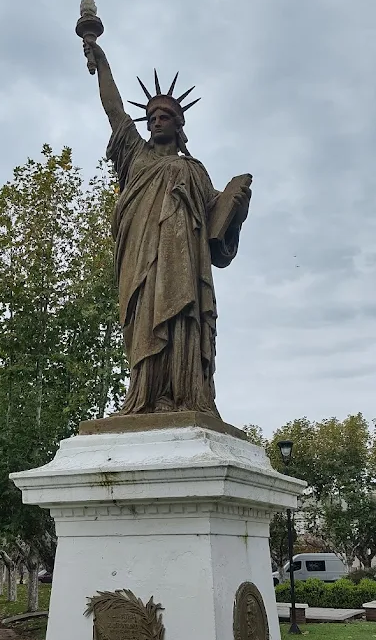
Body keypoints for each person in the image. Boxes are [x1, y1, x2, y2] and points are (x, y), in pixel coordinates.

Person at [83, 40, 252, 417]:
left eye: (165, 116)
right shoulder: (135, 157)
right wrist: (102, 60)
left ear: (179, 124)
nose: (156, 120)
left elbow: (216, 234)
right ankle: (145, 396)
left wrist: (236, 209)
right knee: (144, 324)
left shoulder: (194, 171)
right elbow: (114, 109)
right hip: (141, 259)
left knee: (182, 322)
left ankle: (184, 395)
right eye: (152, 116)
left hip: (184, 266)